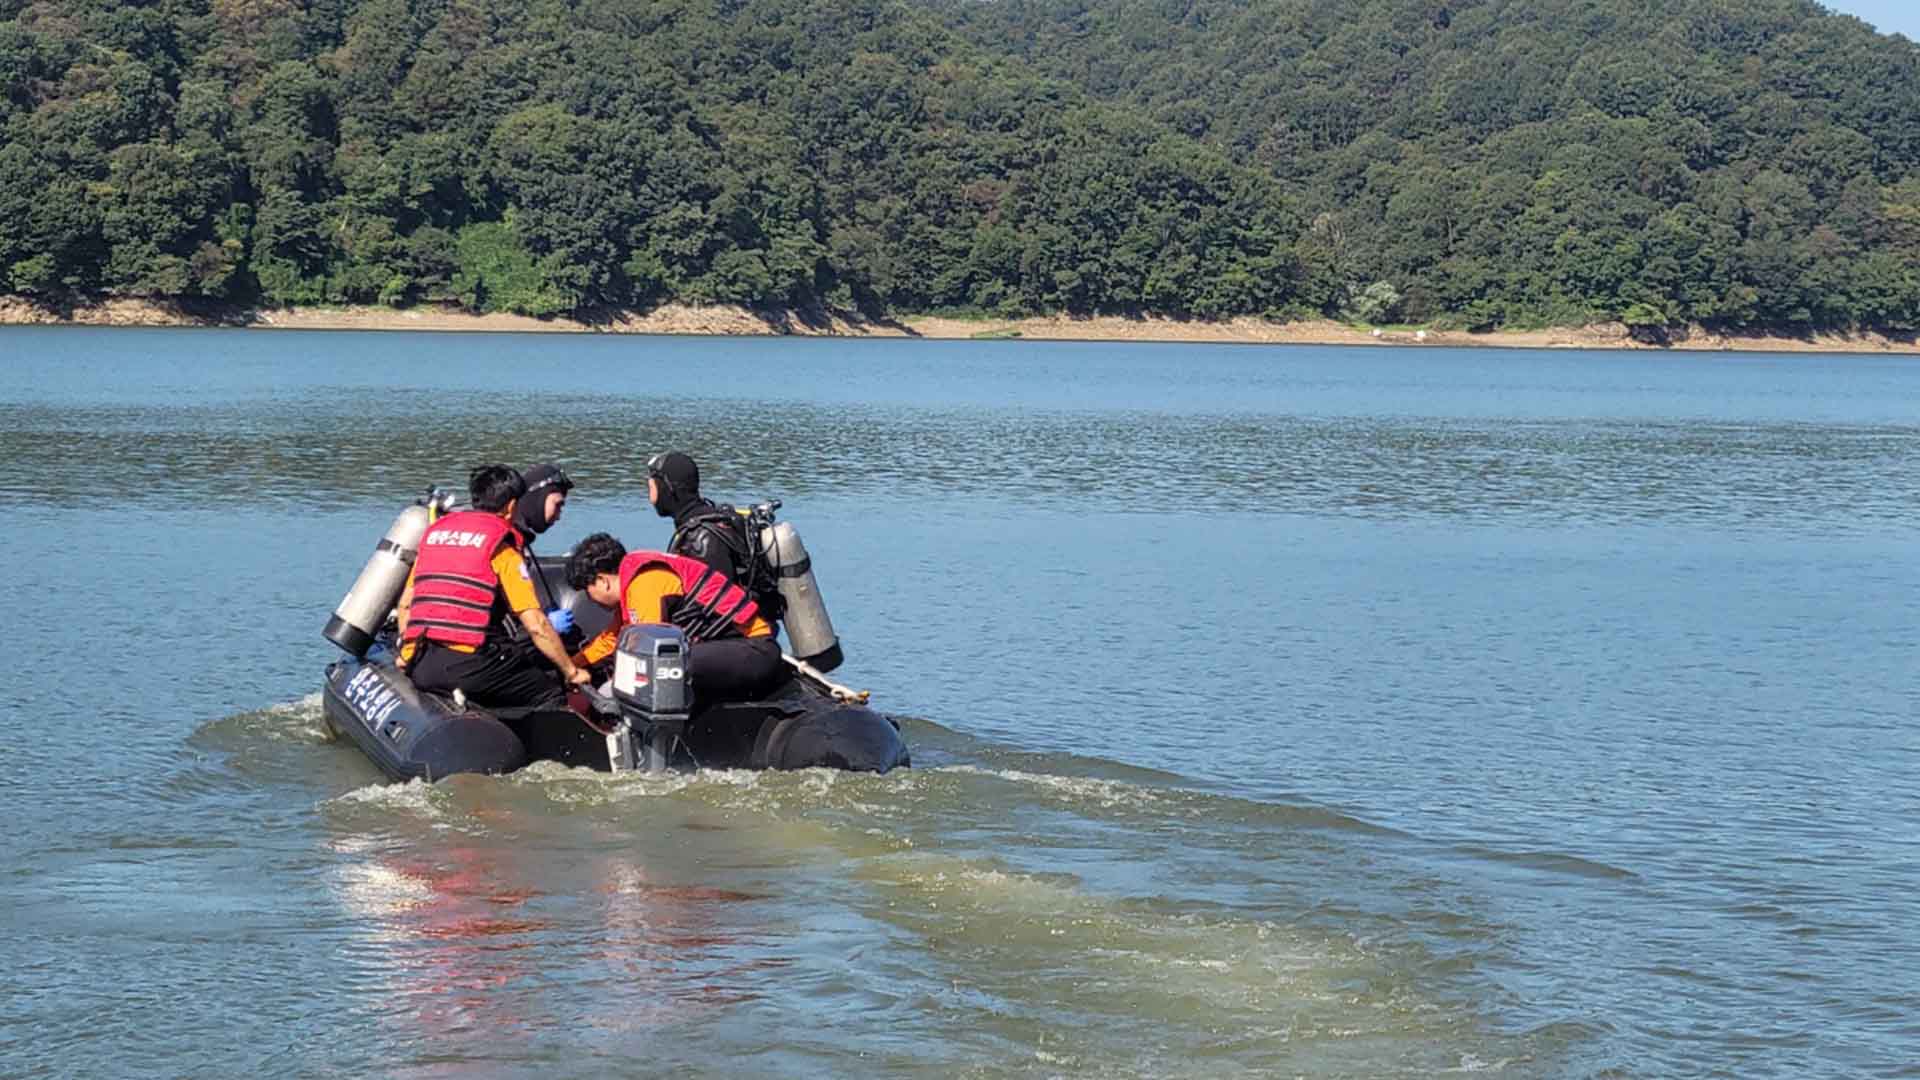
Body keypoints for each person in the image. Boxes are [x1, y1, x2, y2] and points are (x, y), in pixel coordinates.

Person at [395, 465, 591, 710]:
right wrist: (572, 672)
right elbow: (536, 624)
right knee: (549, 690)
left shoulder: (436, 534)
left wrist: (406, 652)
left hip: (422, 664)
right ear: (511, 506)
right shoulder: (501, 546)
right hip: (470, 665)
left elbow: (405, 603)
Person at [563, 531, 784, 706]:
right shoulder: (632, 590)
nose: (591, 600)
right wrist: (570, 667)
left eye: (587, 590)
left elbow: (644, 651)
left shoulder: (644, 584)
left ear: (602, 580)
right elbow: (610, 641)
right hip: (724, 649)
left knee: (661, 666)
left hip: (755, 649)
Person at [512, 462, 576, 634]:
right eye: (558, 505)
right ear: (537, 497)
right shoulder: (506, 542)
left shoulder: (517, 539)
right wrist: (544, 624)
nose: (559, 516)